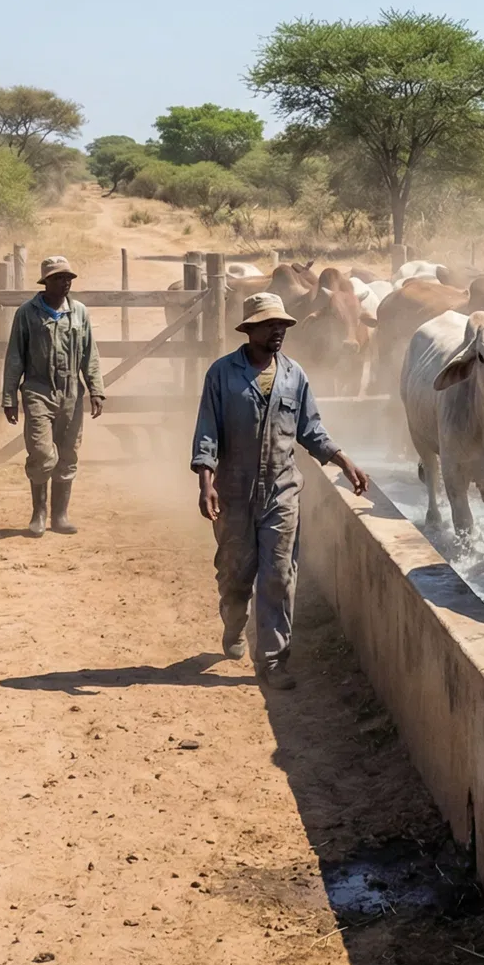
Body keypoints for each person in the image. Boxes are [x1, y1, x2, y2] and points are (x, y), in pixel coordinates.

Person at [192, 291, 371, 690]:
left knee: (278, 574)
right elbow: (207, 432)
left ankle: (273, 660)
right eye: (269, 325)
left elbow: (311, 430)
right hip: (234, 492)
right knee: (235, 574)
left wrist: (345, 461)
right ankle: (234, 620)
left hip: (282, 491)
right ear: (250, 329)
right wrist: (206, 483)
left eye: (282, 325)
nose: (278, 331)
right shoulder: (222, 374)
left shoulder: (294, 375)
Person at [2, 255, 104, 537]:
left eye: (68, 277)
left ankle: (60, 515)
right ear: (45, 282)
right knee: (42, 452)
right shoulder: (27, 313)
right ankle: (39, 513)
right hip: (38, 390)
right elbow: (14, 357)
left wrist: (96, 389)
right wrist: (9, 397)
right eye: (59, 278)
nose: (65, 282)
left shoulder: (79, 312)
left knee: (68, 453)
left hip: (71, 392)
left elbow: (90, 354)